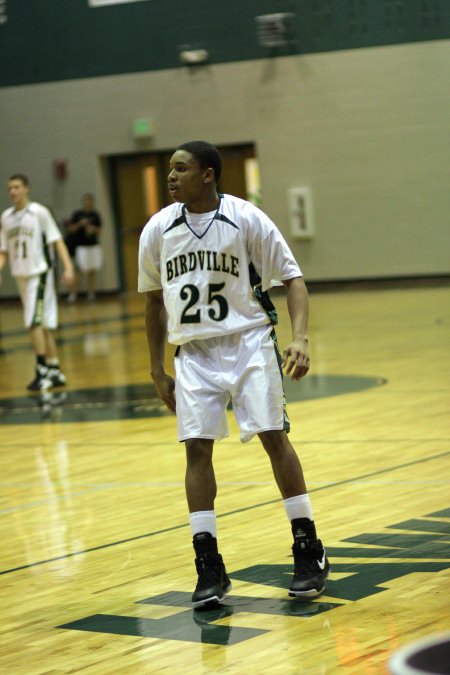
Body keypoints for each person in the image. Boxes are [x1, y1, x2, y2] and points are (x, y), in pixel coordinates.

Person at [138, 141, 330, 608]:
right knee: (196, 451)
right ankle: (209, 566)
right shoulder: (158, 229)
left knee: (272, 436)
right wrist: (156, 370)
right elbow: (151, 302)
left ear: (208, 175)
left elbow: (293, 278)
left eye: (181, 169)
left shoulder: (245, 218)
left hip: (248, 342)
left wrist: (300, 338)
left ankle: (309, 548)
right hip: (194, 353)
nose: (171, 177)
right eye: (169, 170)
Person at [0, 174, 75, 390]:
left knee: (34, 322)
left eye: (16, 187)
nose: (13, 191)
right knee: (42, 326)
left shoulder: (39, 212)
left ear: (27, 188)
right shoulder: (6, 217)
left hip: (39, 274)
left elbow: (57, 240)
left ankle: (41, 369)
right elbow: (4, 250)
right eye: (10, 188)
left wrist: (68, 267)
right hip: (21, 276)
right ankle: (55, 369)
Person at [66, 193, 102, 302]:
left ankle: (91, 293)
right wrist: (79, 224)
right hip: (81, 247)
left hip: (93, 246)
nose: (88, 204)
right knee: (79, 271)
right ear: (83, 203)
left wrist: (93, 229)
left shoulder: (95, 215)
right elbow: (70, 229)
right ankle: (73, 293)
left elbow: (100, 231)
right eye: (86, 202)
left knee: (92, 270)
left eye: (90, 202)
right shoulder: (77, 215)